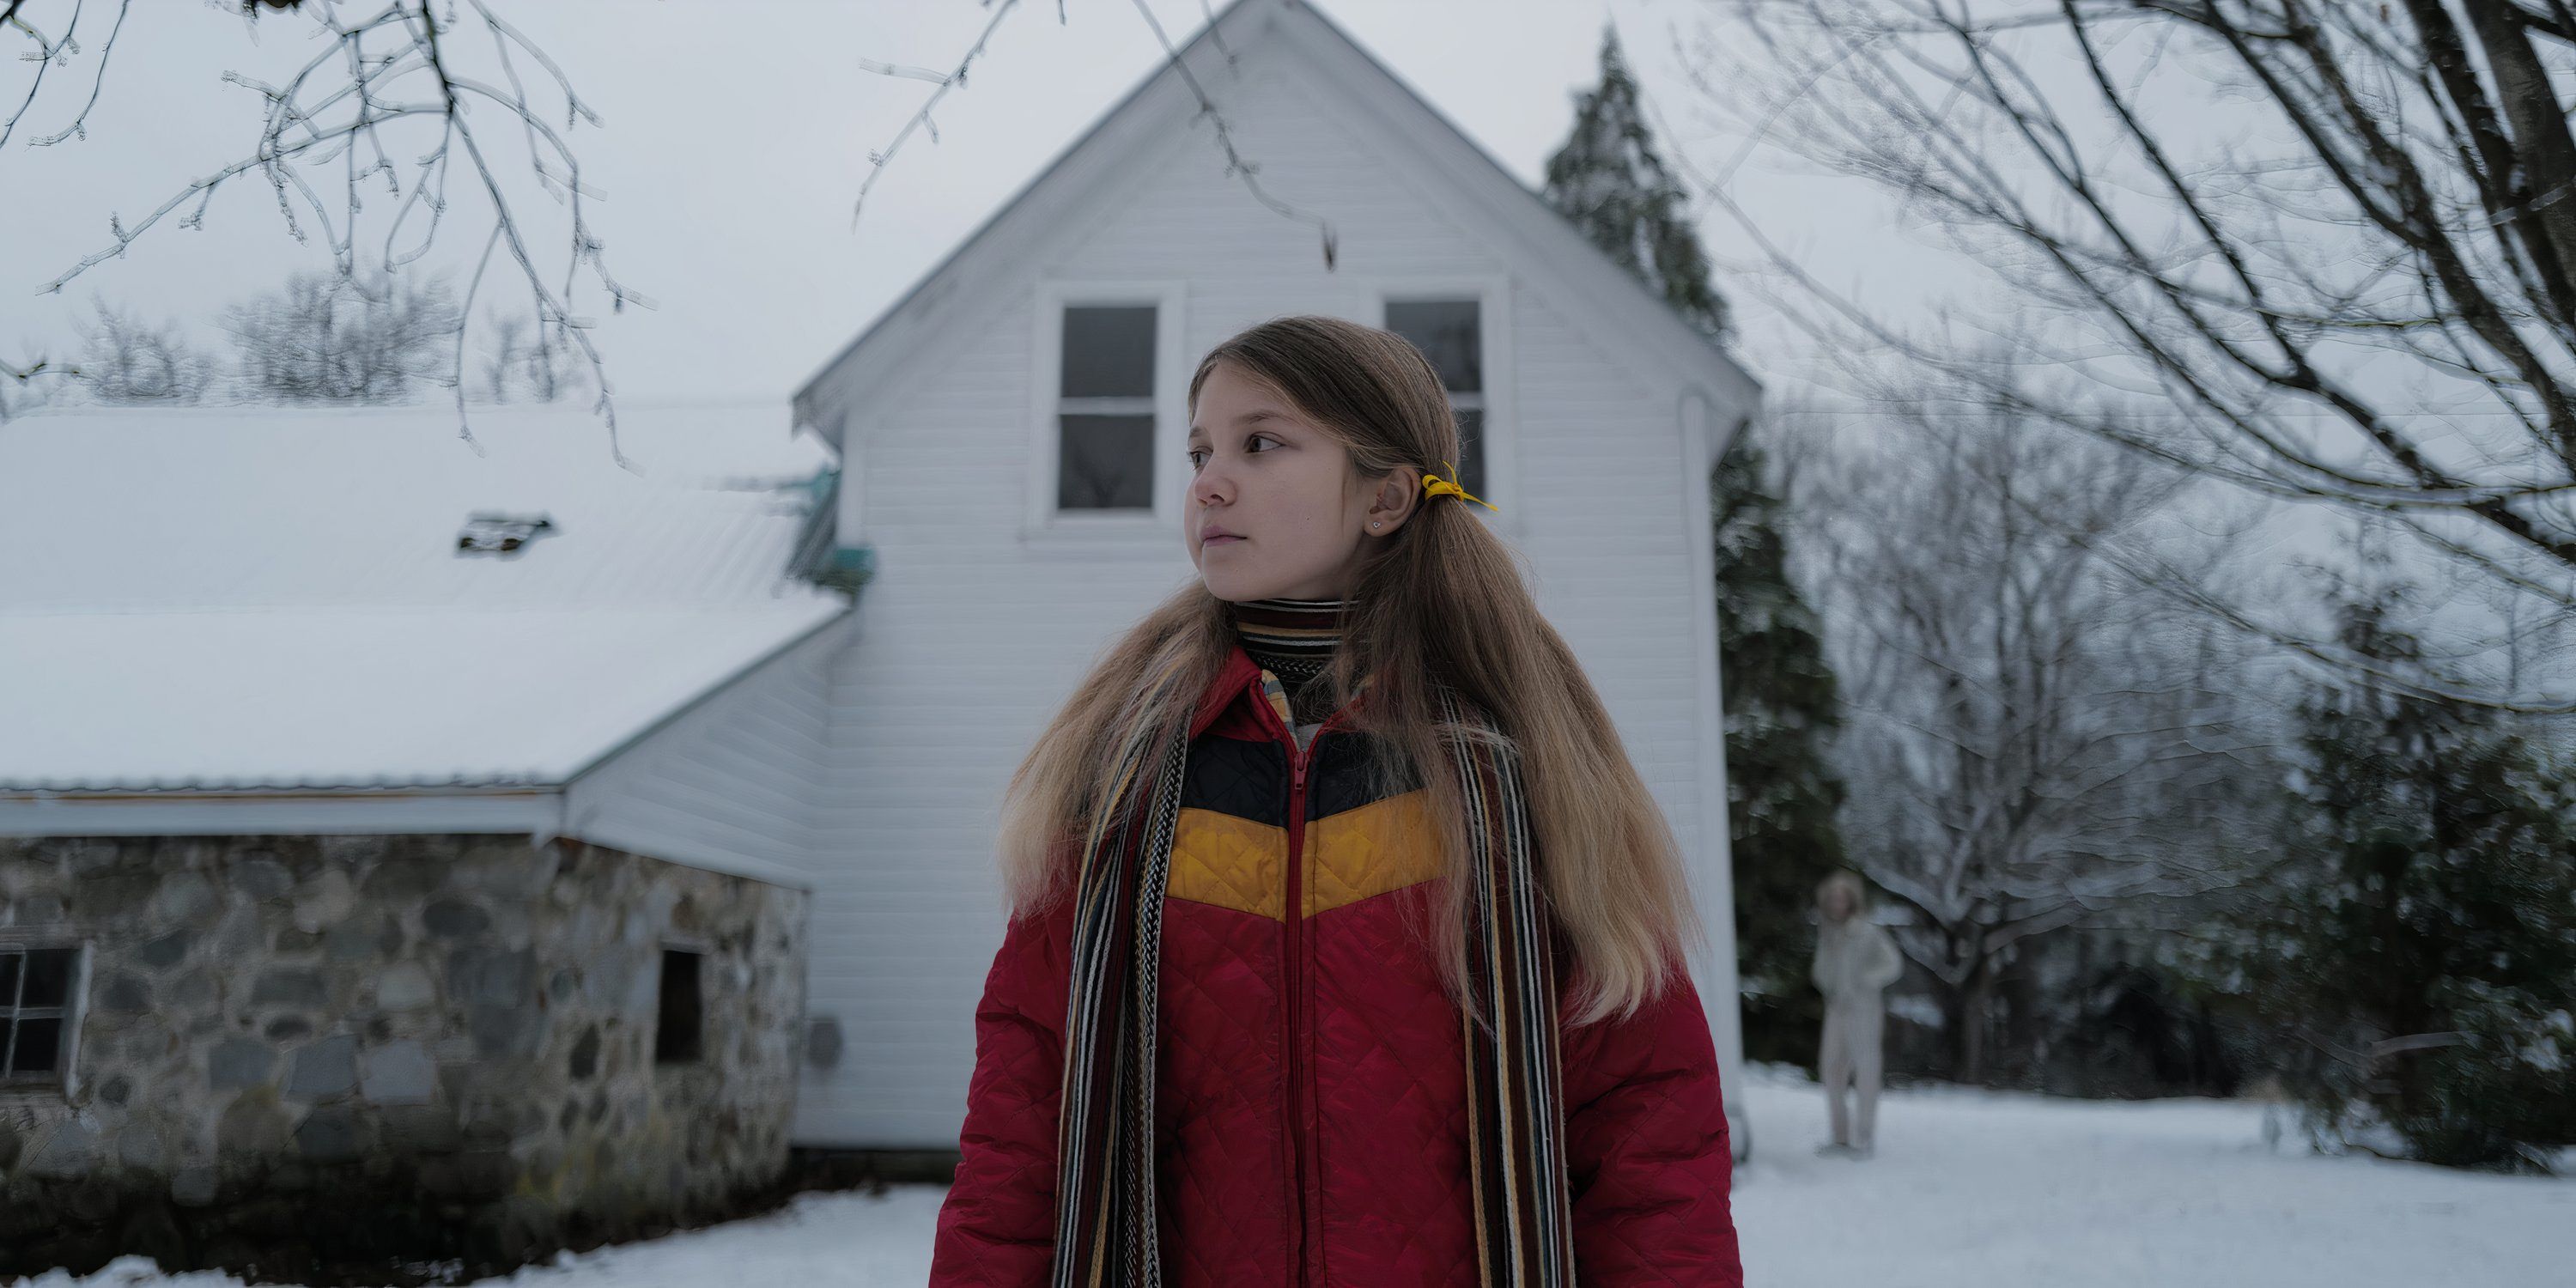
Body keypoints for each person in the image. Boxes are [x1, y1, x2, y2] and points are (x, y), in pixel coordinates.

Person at [927, 316, 1744, 1286]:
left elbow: (1647, 1128)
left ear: (1388, 496)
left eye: (1260, 444)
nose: (1208, 483)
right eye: (1200, 451)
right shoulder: (1122, 778)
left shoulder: (1522, 768)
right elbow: (1020, 1130)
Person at [1809, 869, 1902, 1158]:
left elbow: (1892, 964)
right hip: (1836, 1009)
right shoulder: (1828, 933)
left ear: (1851, 901)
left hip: (1863, 1009)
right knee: (1831, 1069)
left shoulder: (1867, 932)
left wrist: (1865, 981)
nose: (1838, 903)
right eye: (1833, 898)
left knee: (1865, 1070)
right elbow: (1820, 972)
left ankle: (1864, 1137)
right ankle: (1840, 1136)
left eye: (1842, 898)